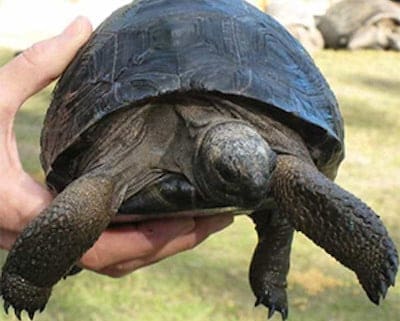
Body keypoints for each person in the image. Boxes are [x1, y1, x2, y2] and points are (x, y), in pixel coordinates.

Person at [0, 17, 233, 278]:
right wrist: (30, 277)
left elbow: (280, 168)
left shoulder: (263, 147)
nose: (255, 181)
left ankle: (270, 265)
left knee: (281, 178)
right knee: (83, 208)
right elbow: (85, 200)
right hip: (121, 153)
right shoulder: (127, 147)